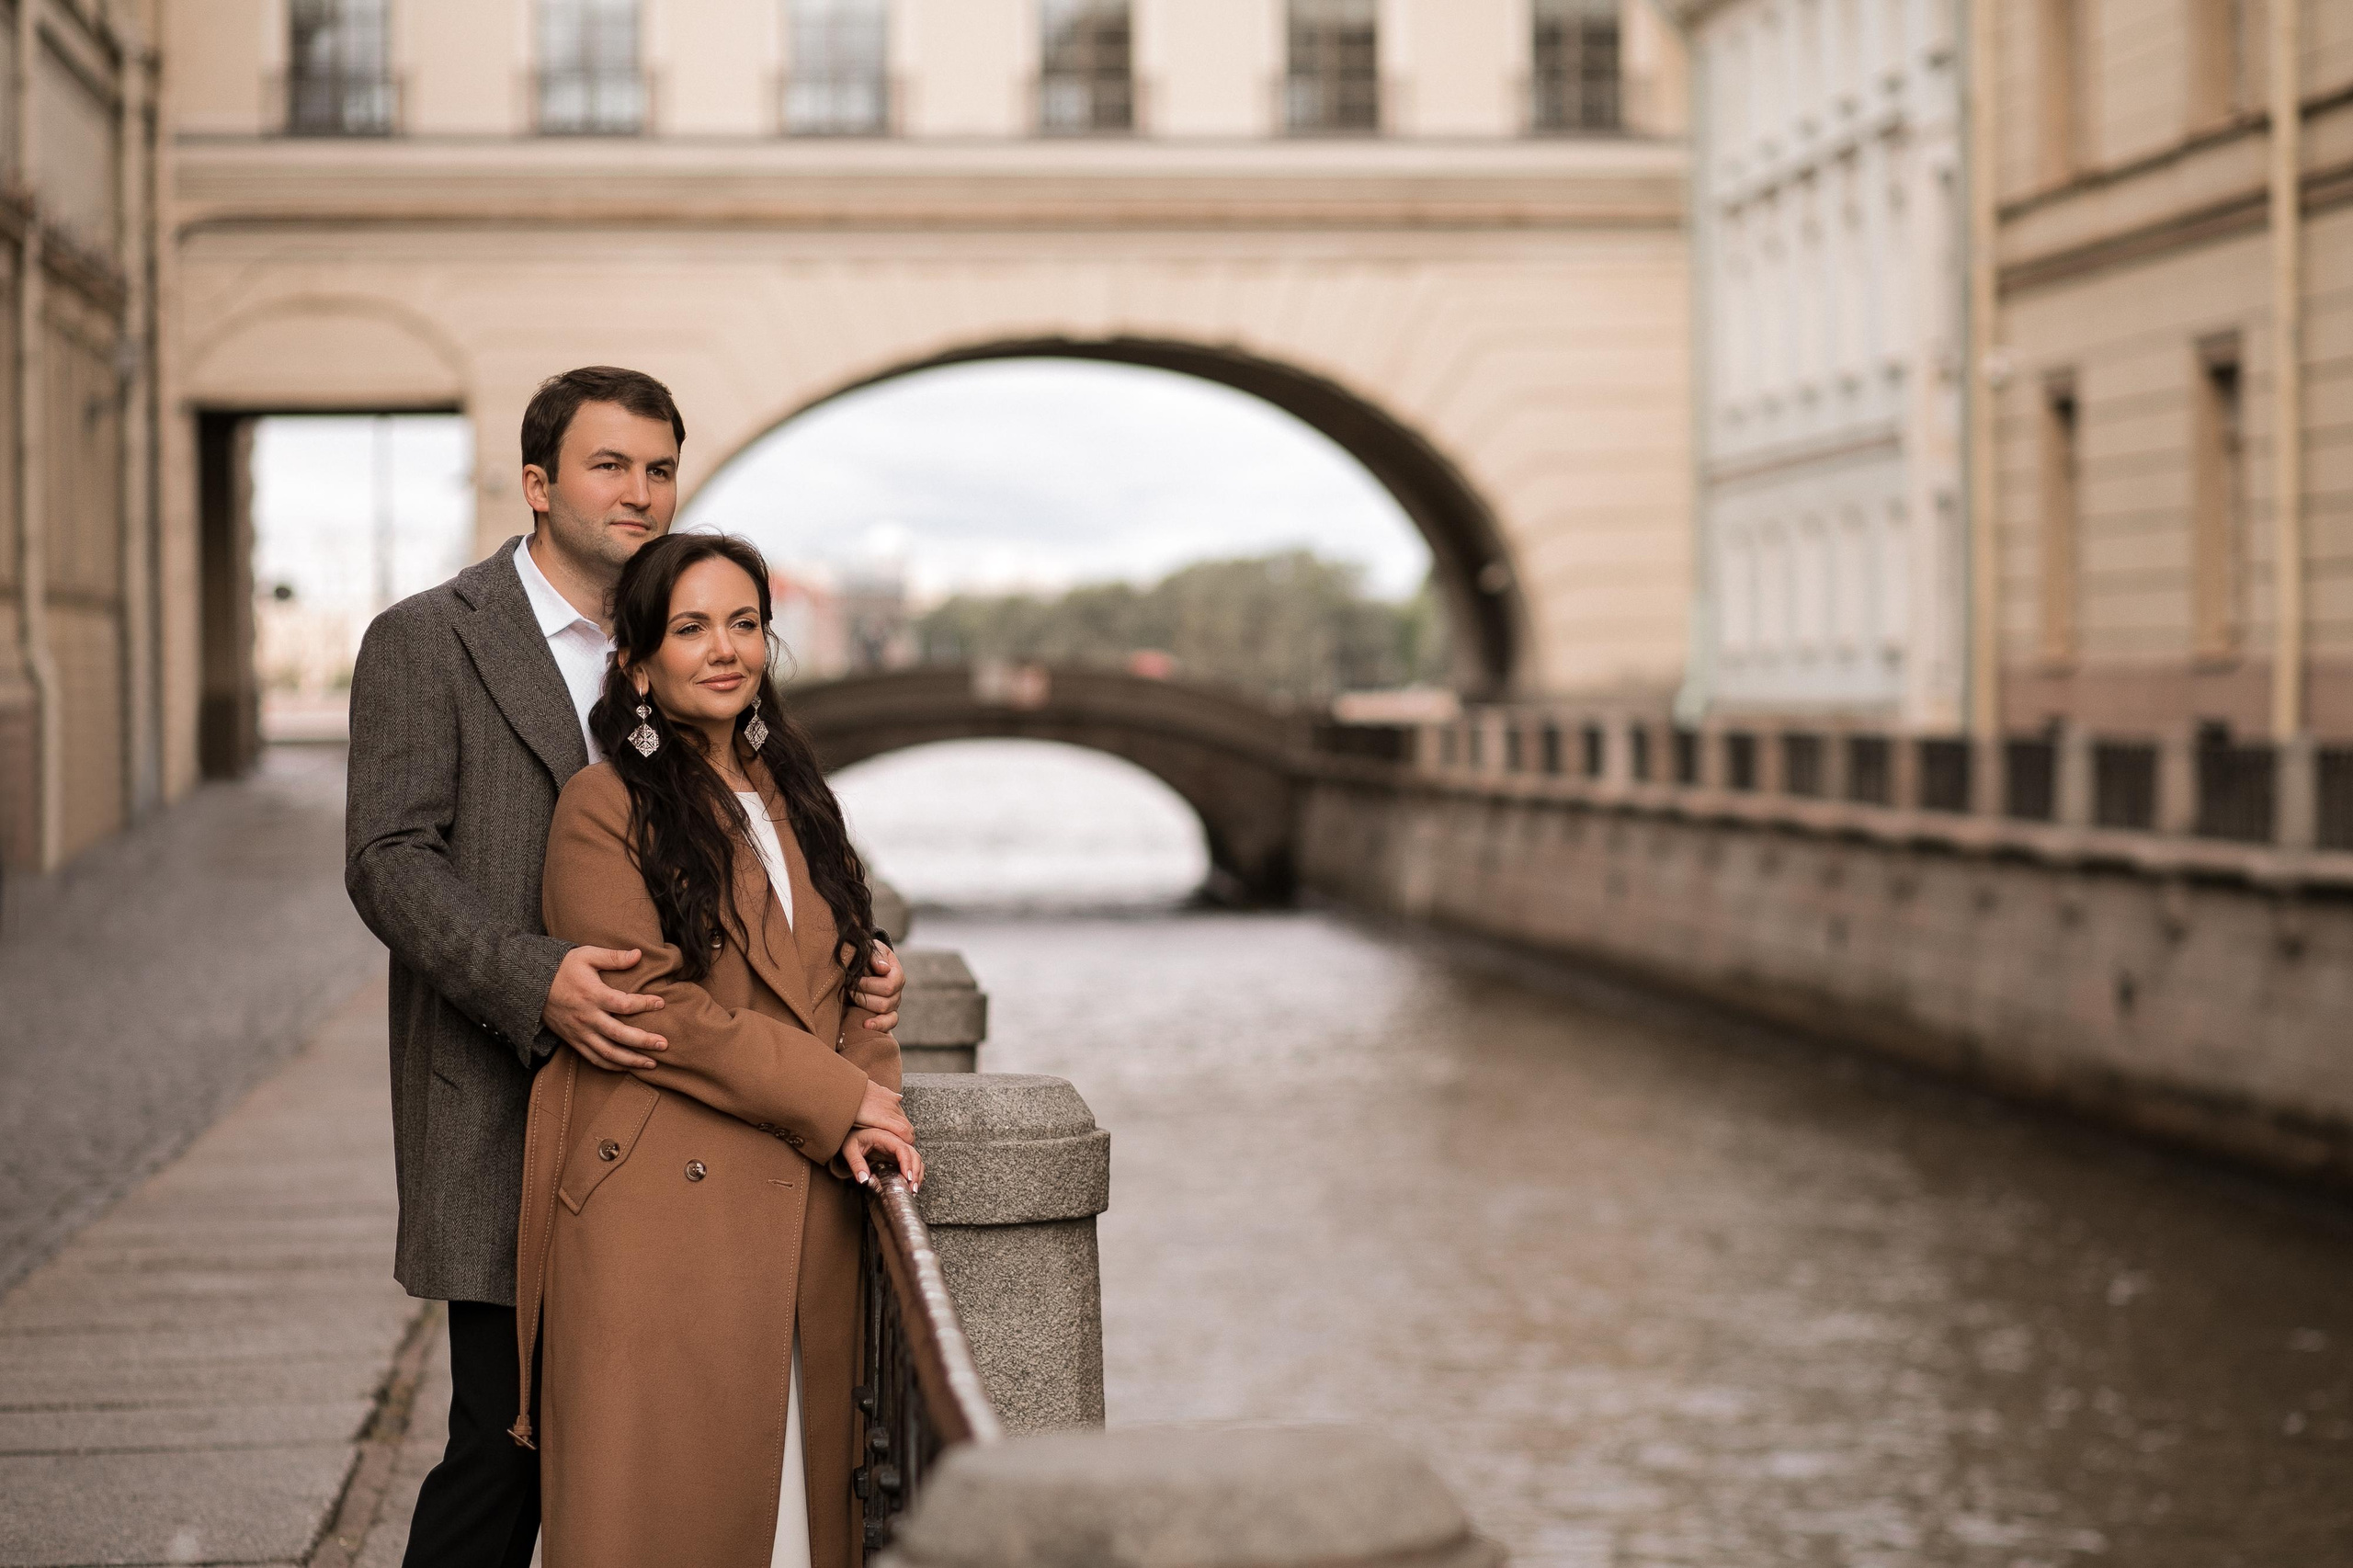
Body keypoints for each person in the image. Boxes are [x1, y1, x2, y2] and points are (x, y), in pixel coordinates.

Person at [345, 368, 908, 1568]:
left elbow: (775, 874)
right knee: (505, 1447)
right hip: (506, 1098)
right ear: (541, 485)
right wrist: (528, 974)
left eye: (660, 468)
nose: (640, 493)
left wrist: (857, 962)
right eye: (611, 466)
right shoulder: (430, 640)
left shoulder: (695, 659)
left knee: (684, 1451)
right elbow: (388, 859)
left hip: (712, 1126)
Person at [513, 531, 919, 1568]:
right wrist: (843, 1099)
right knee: (668, 1513)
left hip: (800, 1192)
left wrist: (876, 1043)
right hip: (659, 1213)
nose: (725, 648)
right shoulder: (600, 807)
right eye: (691, 627)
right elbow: (648, 1005)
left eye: (744, 623)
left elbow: (831, 967)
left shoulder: (795, 795)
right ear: (637, 663)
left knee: (790, 1508)